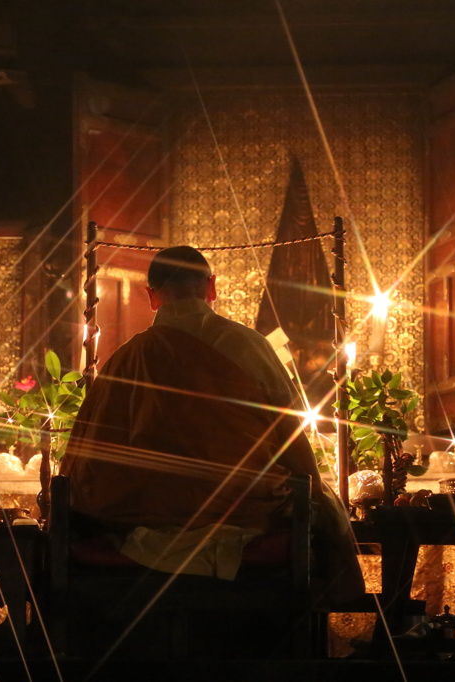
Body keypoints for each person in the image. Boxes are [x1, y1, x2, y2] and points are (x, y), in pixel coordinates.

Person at [61, 246, 364, 605]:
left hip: (144, 523)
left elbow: (86, 459)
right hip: (244, 516)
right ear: (212, 287)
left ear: (151, 296)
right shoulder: (250, 347)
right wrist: (316, 495)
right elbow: (292, 441)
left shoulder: (126, 359)